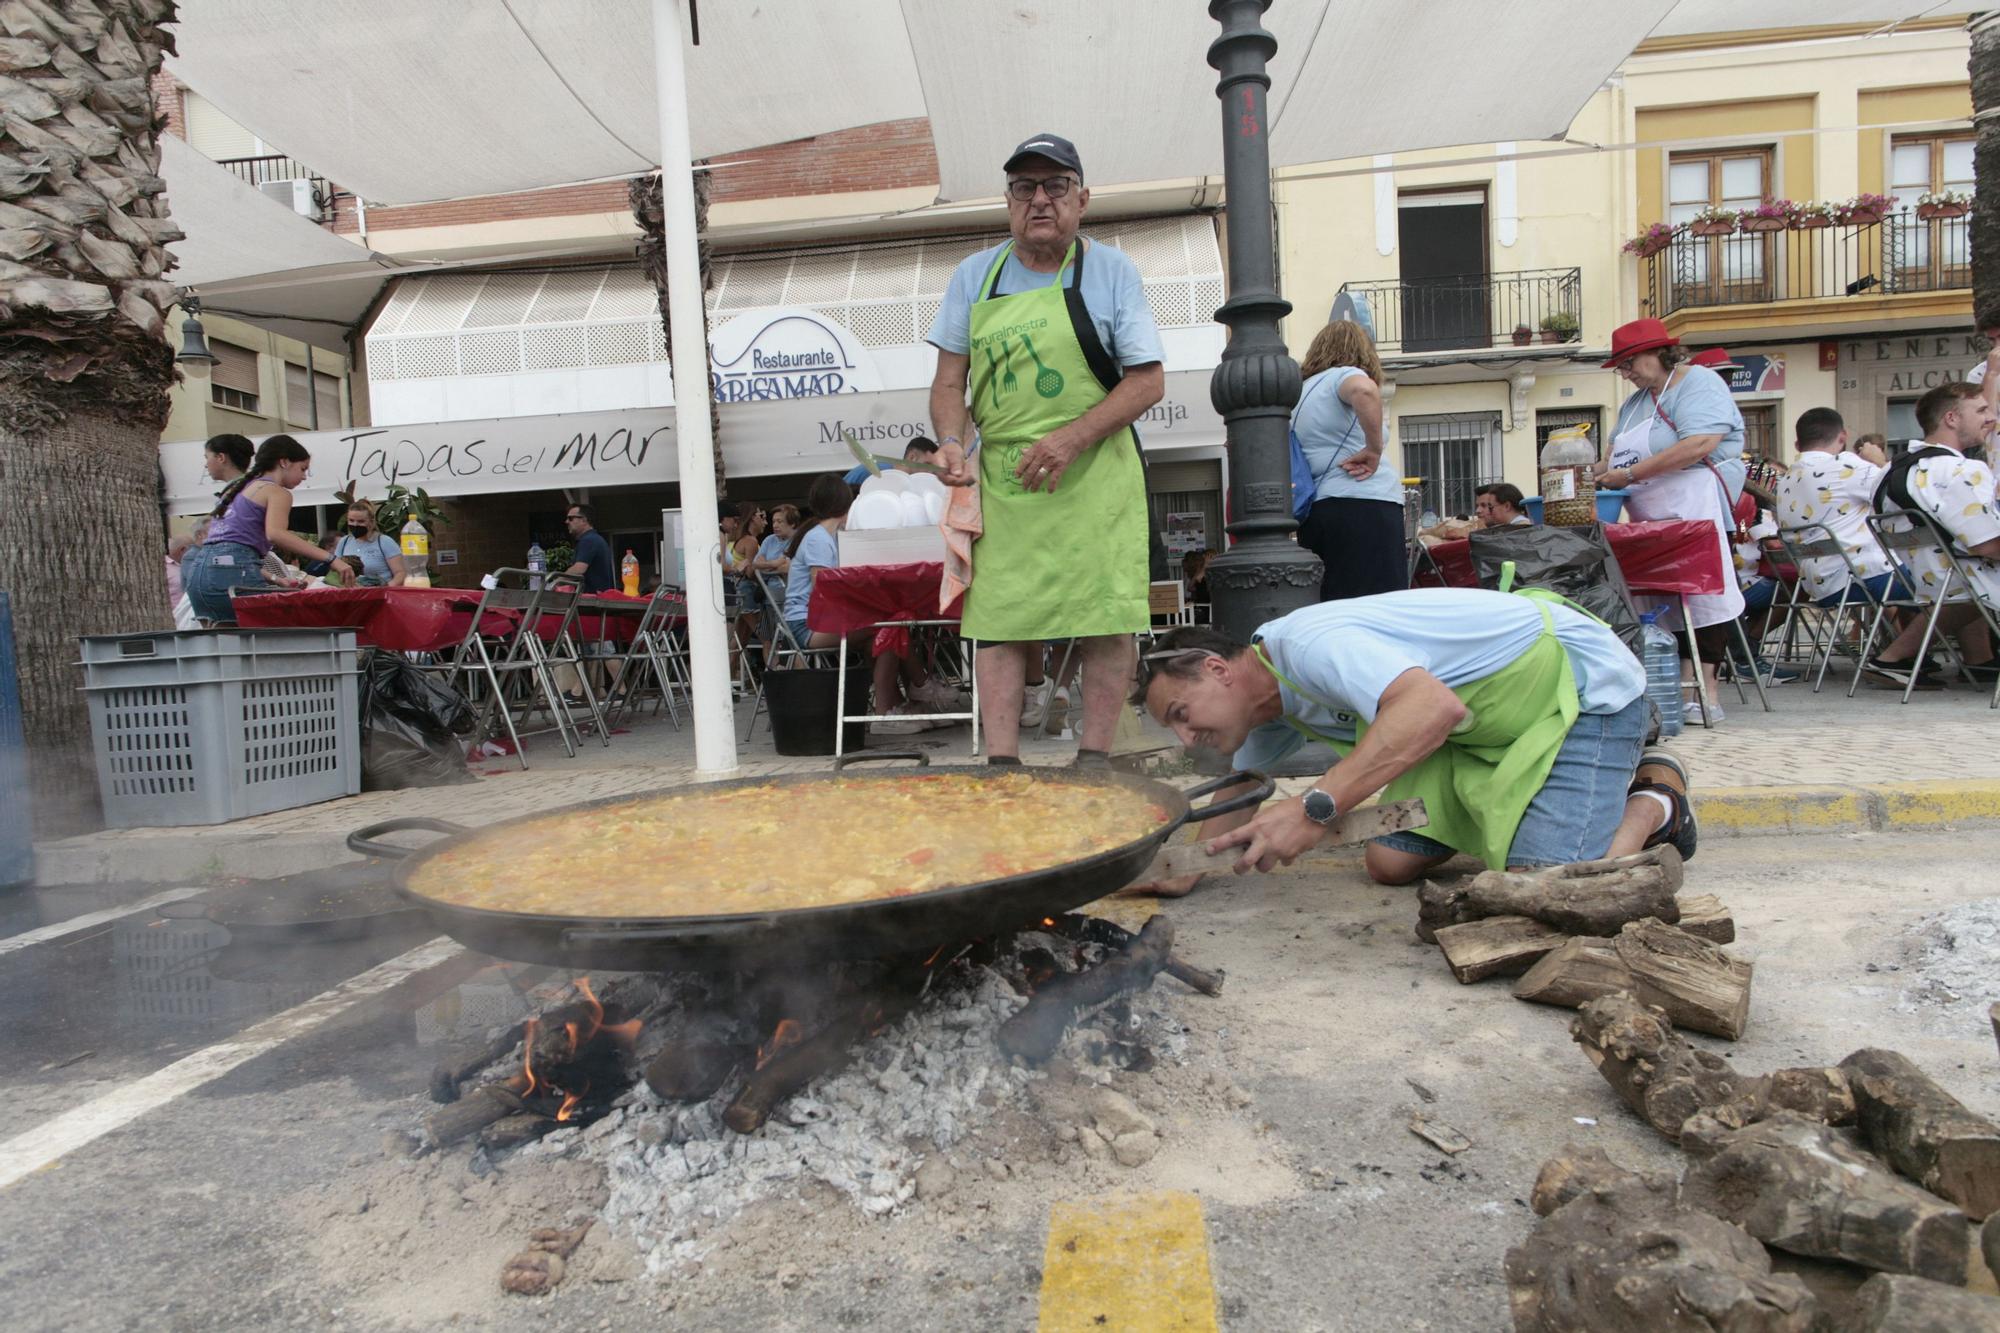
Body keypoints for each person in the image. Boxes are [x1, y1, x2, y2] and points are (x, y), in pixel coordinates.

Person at [1126, 588, 1694, 897]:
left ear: (1216, 669)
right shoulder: (1263, 708)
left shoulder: (1306, 644)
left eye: (1181, 712)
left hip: (1577, 690)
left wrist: (1314, 806)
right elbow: (1238, 799)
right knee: (1389, 864)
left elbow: (1430, 707)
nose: (1185, 735)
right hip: (1474, 733)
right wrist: (1170, 872)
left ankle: (1656, 797)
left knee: (1549, 893)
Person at [927, 132, 1165, 768]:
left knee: (1106, 619)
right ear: (1008, 201)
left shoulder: (1112, 271)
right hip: (1004, 484)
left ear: (1081, 199)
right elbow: (951, 382)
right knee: (999, 622)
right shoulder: (974, 276)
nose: (1039, 199)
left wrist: (1071, 437)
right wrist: (952, 440)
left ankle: (1094, 763)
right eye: (1023, 187)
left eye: (1055, 186)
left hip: (1095, 478)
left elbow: (1147, 381)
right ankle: (1002, 768)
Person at [1599, 318, 1748, 725]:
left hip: (1695, 501)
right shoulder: (1633, 404)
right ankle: (1668, 685)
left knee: (1702, 593)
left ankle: (1705, 689)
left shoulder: (1698, 383)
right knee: (1657, 597)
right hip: (1649, 507)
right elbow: (1611, 456)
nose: (1625, 373)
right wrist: (1585, 472)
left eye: (1629, 362)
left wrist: (1629, 474)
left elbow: (1699, 443)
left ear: (1658, 353)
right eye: (1621, 367)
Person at [781, 474, 954, 731]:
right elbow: (823, 590)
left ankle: (904, 703)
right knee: (892, 624)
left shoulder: (822, 535)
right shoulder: (819, 539)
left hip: (812, 620)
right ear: (848, 505)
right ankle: (909, 695)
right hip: (807, 625)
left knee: (886, 631)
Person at [1866, 381, 2000, 687]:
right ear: (1951, 418)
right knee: (1973, 571)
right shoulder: (1962, 470)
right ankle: (1895, 657)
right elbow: (1988, 545)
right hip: (1966, 581)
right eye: (1980, 410)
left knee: (1965, 575)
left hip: (1928, 581)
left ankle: (1981, 661)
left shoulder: (1888, 472)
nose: (1990, 417)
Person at [180, 435, 357, 623]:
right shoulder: (276, 491)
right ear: (284, 462)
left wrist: (274, 578)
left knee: (225, 641)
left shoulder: (238, 489)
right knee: (280, 631)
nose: (304, 476)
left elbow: (228, 552)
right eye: (303, 469)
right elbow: (276, 533)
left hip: (199, 573)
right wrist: (332, 559)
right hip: (233, 570)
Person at [1292, 320, 1400, 600]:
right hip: (1366, 501)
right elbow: (1364, 391)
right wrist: (1373, 448)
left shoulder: (1299, 393)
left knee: (1334, 603)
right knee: (1380, 604)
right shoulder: (1344, 376)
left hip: (1318, 509)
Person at [1775, 408, 1902, 609]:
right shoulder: (1845, 466)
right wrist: (1879, 462)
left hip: (1819, 585)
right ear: (1843, 437)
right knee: (1956, 586)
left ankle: (1900, 638)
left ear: (1798, 445)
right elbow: (1903, 492)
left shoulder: (1786, 481)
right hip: (1861, 579)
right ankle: (1910, 641)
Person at [332, 500, 407, 587]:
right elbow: (335, 569)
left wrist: (384, 590)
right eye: (351, 520)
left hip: (378, 594)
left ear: (371, 522)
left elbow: (401, 573)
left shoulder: (385, 542)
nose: (355, 524)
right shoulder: (344, 542)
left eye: (361, 521)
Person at [843, 437, 941, 487]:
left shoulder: (919, 486)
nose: (931, 472)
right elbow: (838, 498)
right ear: (912, 457)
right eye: (927, 465)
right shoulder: (871, 469)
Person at [562, 504, 616, 593]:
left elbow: (578, 569)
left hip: (592, 601)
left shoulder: (589, 540)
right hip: (599, 600)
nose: (566, 521)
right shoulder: (595, 539)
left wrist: (555, 582)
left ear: (584, 520)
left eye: (571, 518)